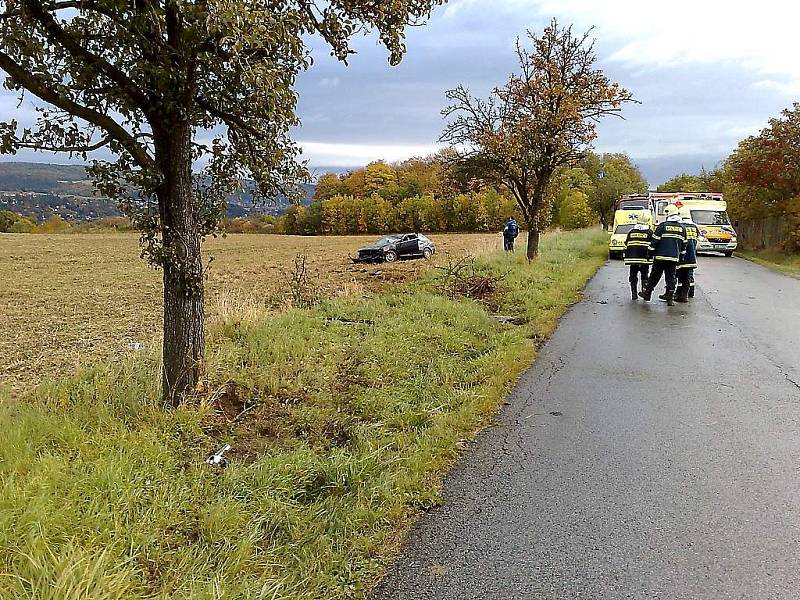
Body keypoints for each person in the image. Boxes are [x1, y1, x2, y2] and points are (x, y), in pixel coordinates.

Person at [639, 207, 687, 306]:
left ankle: (647, 294)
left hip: (660, 257)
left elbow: (654, 242)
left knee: (654, 276)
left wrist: (649, 254)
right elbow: (684, 245)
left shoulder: (662, 226)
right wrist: (681, 258)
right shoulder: (682, 228)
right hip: (674, 258)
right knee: (671, 277)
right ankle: (670, 298)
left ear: (667, 215)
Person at [623, 215, 653, 301]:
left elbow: (626, 245)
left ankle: (634, 294)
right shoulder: (650, 232)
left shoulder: (631, 232)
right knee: (644, 276)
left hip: (633, 259)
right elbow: (652, 246)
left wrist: (626, 255)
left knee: (633, 276)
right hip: (644, 260)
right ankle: (644, 291)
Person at [675, 215, 699, 302]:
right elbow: (696, 240)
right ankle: (689, 293)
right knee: (689, 275)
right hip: (692, 256)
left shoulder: (681, 227)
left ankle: (679, 294)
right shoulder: (694, 227)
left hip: (682, 255)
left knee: (680, 275)